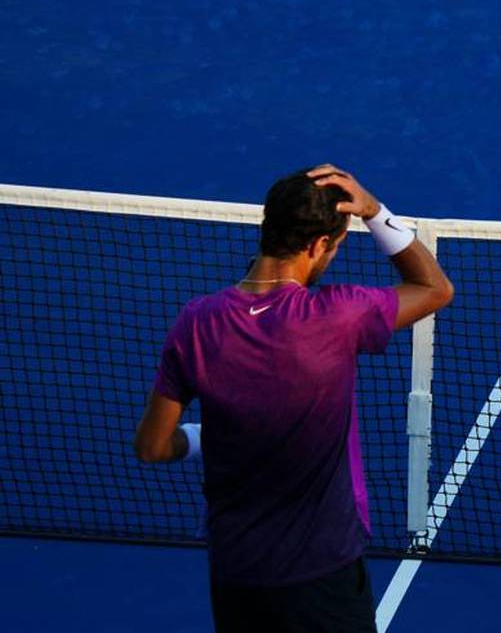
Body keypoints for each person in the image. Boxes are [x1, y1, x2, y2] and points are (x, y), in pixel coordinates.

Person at [133, 165, 453, 631]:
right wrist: (374, 211)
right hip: (323, 577)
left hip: (237, 574)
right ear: (318, 244)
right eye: (335, 247)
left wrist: (207, 437)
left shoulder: (195, 323)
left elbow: (153, 446)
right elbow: (434, 288)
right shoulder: (339, 315)